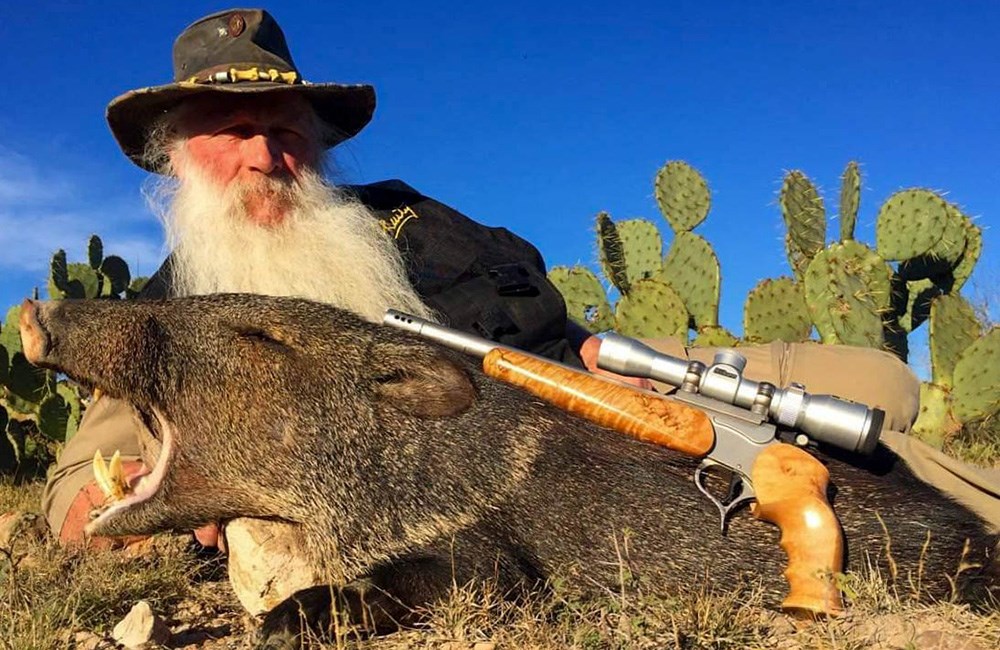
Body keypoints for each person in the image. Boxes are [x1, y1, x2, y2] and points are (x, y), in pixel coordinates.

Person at [40, 7, 1000, 617]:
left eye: (284, 130)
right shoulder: (169, 312)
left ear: (317, 142)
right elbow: (89, 479)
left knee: (875, 385)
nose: (264, 156)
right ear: (174, 154)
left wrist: (601, 356)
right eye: (230, 133)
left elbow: (539, 302)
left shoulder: (401, 218)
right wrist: (130, 499)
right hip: (495, 476)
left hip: (573, 383)